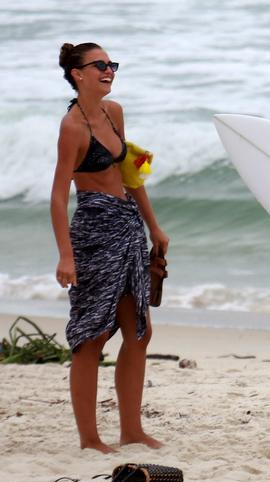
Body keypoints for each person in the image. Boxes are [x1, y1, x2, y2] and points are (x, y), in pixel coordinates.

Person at [51, 42, 169, 454]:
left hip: (128, 227)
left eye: (111, 64)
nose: (109, 70)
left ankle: (132, 430)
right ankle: (89, 438)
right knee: (93, 335)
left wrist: (154, 226)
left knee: (139, 330)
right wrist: (66, 255)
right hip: (94, 233)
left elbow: (130, 171)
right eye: (99, 65)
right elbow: (57, 195)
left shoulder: (113, 112)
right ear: (77, 74)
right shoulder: (72, 127)